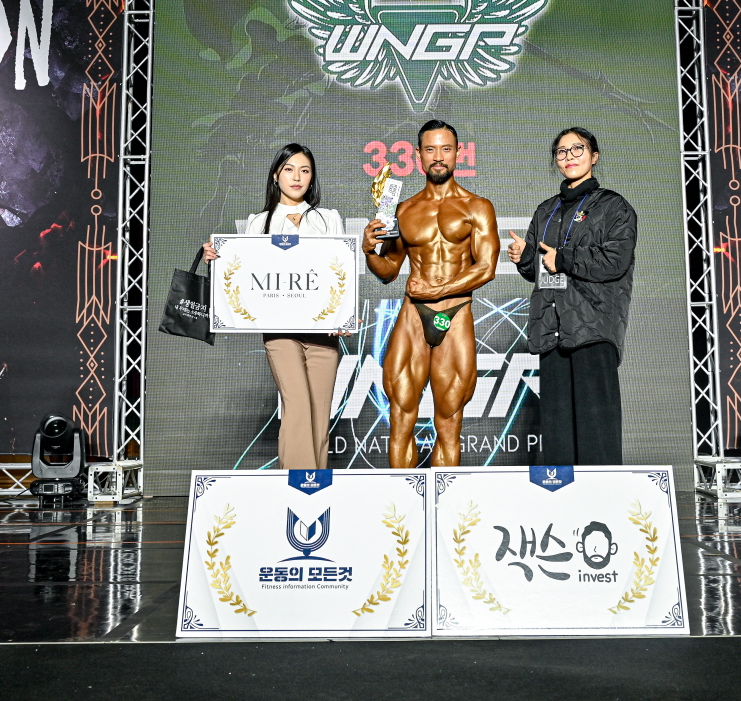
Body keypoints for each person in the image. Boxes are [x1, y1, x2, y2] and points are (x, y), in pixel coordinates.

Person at [362, 120, 498, 468]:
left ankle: (445, 499)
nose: (439, 156)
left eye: (446, 149)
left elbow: (486, 268)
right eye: (431, 149)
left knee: (449, 422)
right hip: (413, 317)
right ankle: (401, 499)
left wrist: (438, 289)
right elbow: (388, 271)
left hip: (455, 313)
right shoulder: (403, 210)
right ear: (418, 155)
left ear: (458, 154)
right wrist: (369, 251)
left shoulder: (477, 207)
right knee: (400, 417)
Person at [203, 143, 344, 469]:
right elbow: (243, 274)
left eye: (305, 170)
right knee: (297, 404)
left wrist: (343, 316)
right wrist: (215, 260)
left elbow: (341, 271)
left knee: (319, 412)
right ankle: (297, 484)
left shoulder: (328, 219)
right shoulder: (258, 223)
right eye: (289, 169)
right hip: (279, 332)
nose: (297, 177)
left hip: (323, 332)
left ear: (312, 178)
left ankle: (317, 485)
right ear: (276, 175)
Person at [507, 127, 636, 466]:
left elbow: (615, 261)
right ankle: (562, 496)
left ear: (594, 156)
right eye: (562, 152)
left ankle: (602, 495)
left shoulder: (613, 206)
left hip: (593, 327)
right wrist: (525, 257)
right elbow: (538, 269)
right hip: (551, 329)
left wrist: (562, 258)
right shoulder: (545, 210)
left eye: (577, 149)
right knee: (557, 433)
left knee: (597, 432)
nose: (569, 157)